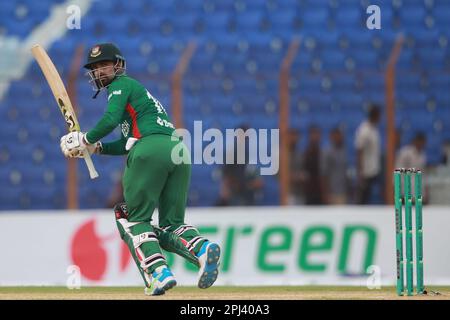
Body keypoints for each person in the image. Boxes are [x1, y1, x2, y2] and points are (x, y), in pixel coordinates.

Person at [59, 43, 221, 296]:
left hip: (148, 151)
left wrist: (85, 139)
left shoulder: (120, 85)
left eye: (104, 65)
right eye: (96, 67)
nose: (100, 71)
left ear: (118, 65)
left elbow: (110, 120)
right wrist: (95, 147)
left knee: (132, 218)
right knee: (171, 224)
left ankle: (158, 272)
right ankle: (202, 248)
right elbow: (126, 142)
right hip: (176, 151)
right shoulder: (140, 97)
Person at [216, 124, 264, 206]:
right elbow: (226, 178)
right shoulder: (231, 155)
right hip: (235, 196)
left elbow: (258, 181)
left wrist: (250, 184)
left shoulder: (248, 155)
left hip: (247, 195)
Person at [354, 105, 382, 204]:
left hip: (375, 169)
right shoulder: (364, 130)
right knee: (363, 199)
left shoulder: (374, 130)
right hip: (366, 171)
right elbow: (359, 151)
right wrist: (360, 172)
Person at [321, 127, 349, 204]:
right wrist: (326, 193)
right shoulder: (327, 152)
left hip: (343, 191)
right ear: (331, 137)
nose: (338, 138)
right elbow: (324, 174)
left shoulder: (343, 151)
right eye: (336, 136)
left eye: (340, 135)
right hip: (332, 193)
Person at [302, 125, 323, 205]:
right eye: (313, 134)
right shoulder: (306, 153)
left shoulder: (322, 153)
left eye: (316, 134)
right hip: (309, 191)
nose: (315, 137)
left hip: (321, 191)